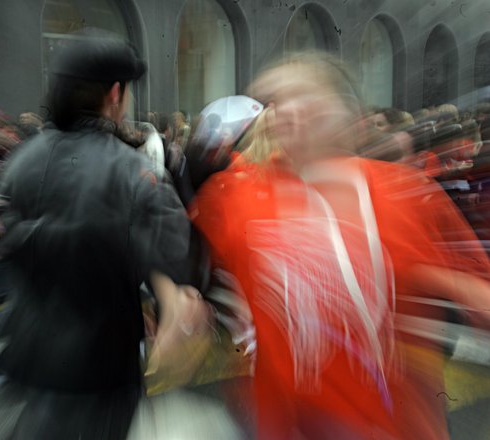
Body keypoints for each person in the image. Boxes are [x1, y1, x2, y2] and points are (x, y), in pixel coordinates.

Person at [192, 51, 490, 439]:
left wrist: (455, 288)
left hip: (391, 423)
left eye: (307, 98)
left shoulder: (404, 195)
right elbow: (188, 262)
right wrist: (179, 303)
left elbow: (473, 287)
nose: (290, 112)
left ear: (347, 115)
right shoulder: (237, 198)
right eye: (278, 102)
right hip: (290, 422)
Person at [0, 31, 197, 440]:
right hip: (100, 372)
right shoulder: (132, 172)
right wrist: (171, 301)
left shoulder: (19, 163)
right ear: (115, 94)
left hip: (23, 358)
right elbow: (168, 250)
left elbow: (1, 243)